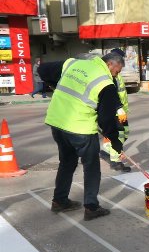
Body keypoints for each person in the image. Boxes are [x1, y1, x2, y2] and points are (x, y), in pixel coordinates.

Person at [39, 51, 126, 221]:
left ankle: (59, 201)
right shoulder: (105, 83)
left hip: (57, 123)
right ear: (110, 64)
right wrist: (115, 141)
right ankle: (91, 207)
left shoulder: (73, 63)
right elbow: (107, 119)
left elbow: (43, 70)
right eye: (117, 71)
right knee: (91, 167)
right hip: (81, 128)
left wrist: (54, 85)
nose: (117, 75)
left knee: (67, 162)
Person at [100, 49, 132, 172]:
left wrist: (121, 109)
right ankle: (115, 161)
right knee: (119, 135)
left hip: (121, 111)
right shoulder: (110, 74)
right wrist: (117, 108)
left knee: (125, 133)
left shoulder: (116, 73)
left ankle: (108, 149)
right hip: (115, 111)